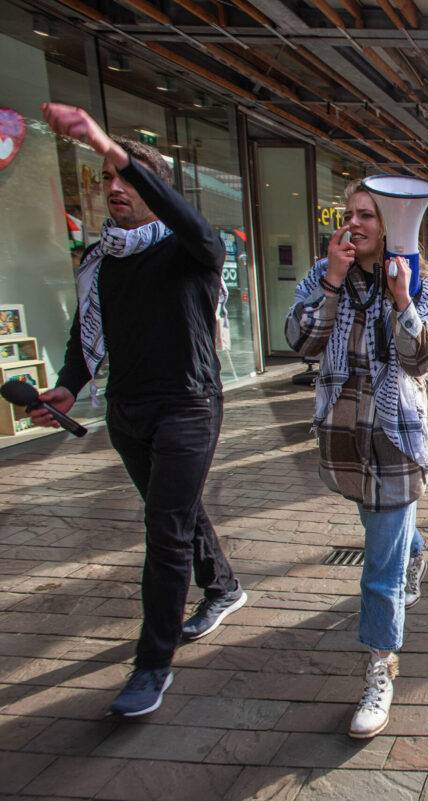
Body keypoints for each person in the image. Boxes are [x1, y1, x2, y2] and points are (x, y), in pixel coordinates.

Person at [36, 103, 246, 717]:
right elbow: (87, 332)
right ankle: (225, 587)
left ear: (154, 190)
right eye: (105, 180)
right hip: (127, 413)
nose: (113, 190)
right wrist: (69, 386)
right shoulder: (101, 260)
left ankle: (152, 664)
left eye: (124, 179)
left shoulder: (191, 249)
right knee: (173, 511)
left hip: (188, 406)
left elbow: (193, 225)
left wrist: (111, 146)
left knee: (164, 530)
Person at [286, 181, 428, 739]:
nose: (353, 224)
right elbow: (299, 340)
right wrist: (331, 281)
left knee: (379, 572)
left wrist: (403, 300)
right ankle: (416, 549)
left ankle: (380, 669)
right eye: (348, 213)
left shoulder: (424, 284)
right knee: (385, 526)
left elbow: (424, 357)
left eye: (367, 215)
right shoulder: (323, 271)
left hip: (397, 440)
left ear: (392, 223)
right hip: (341, 434)